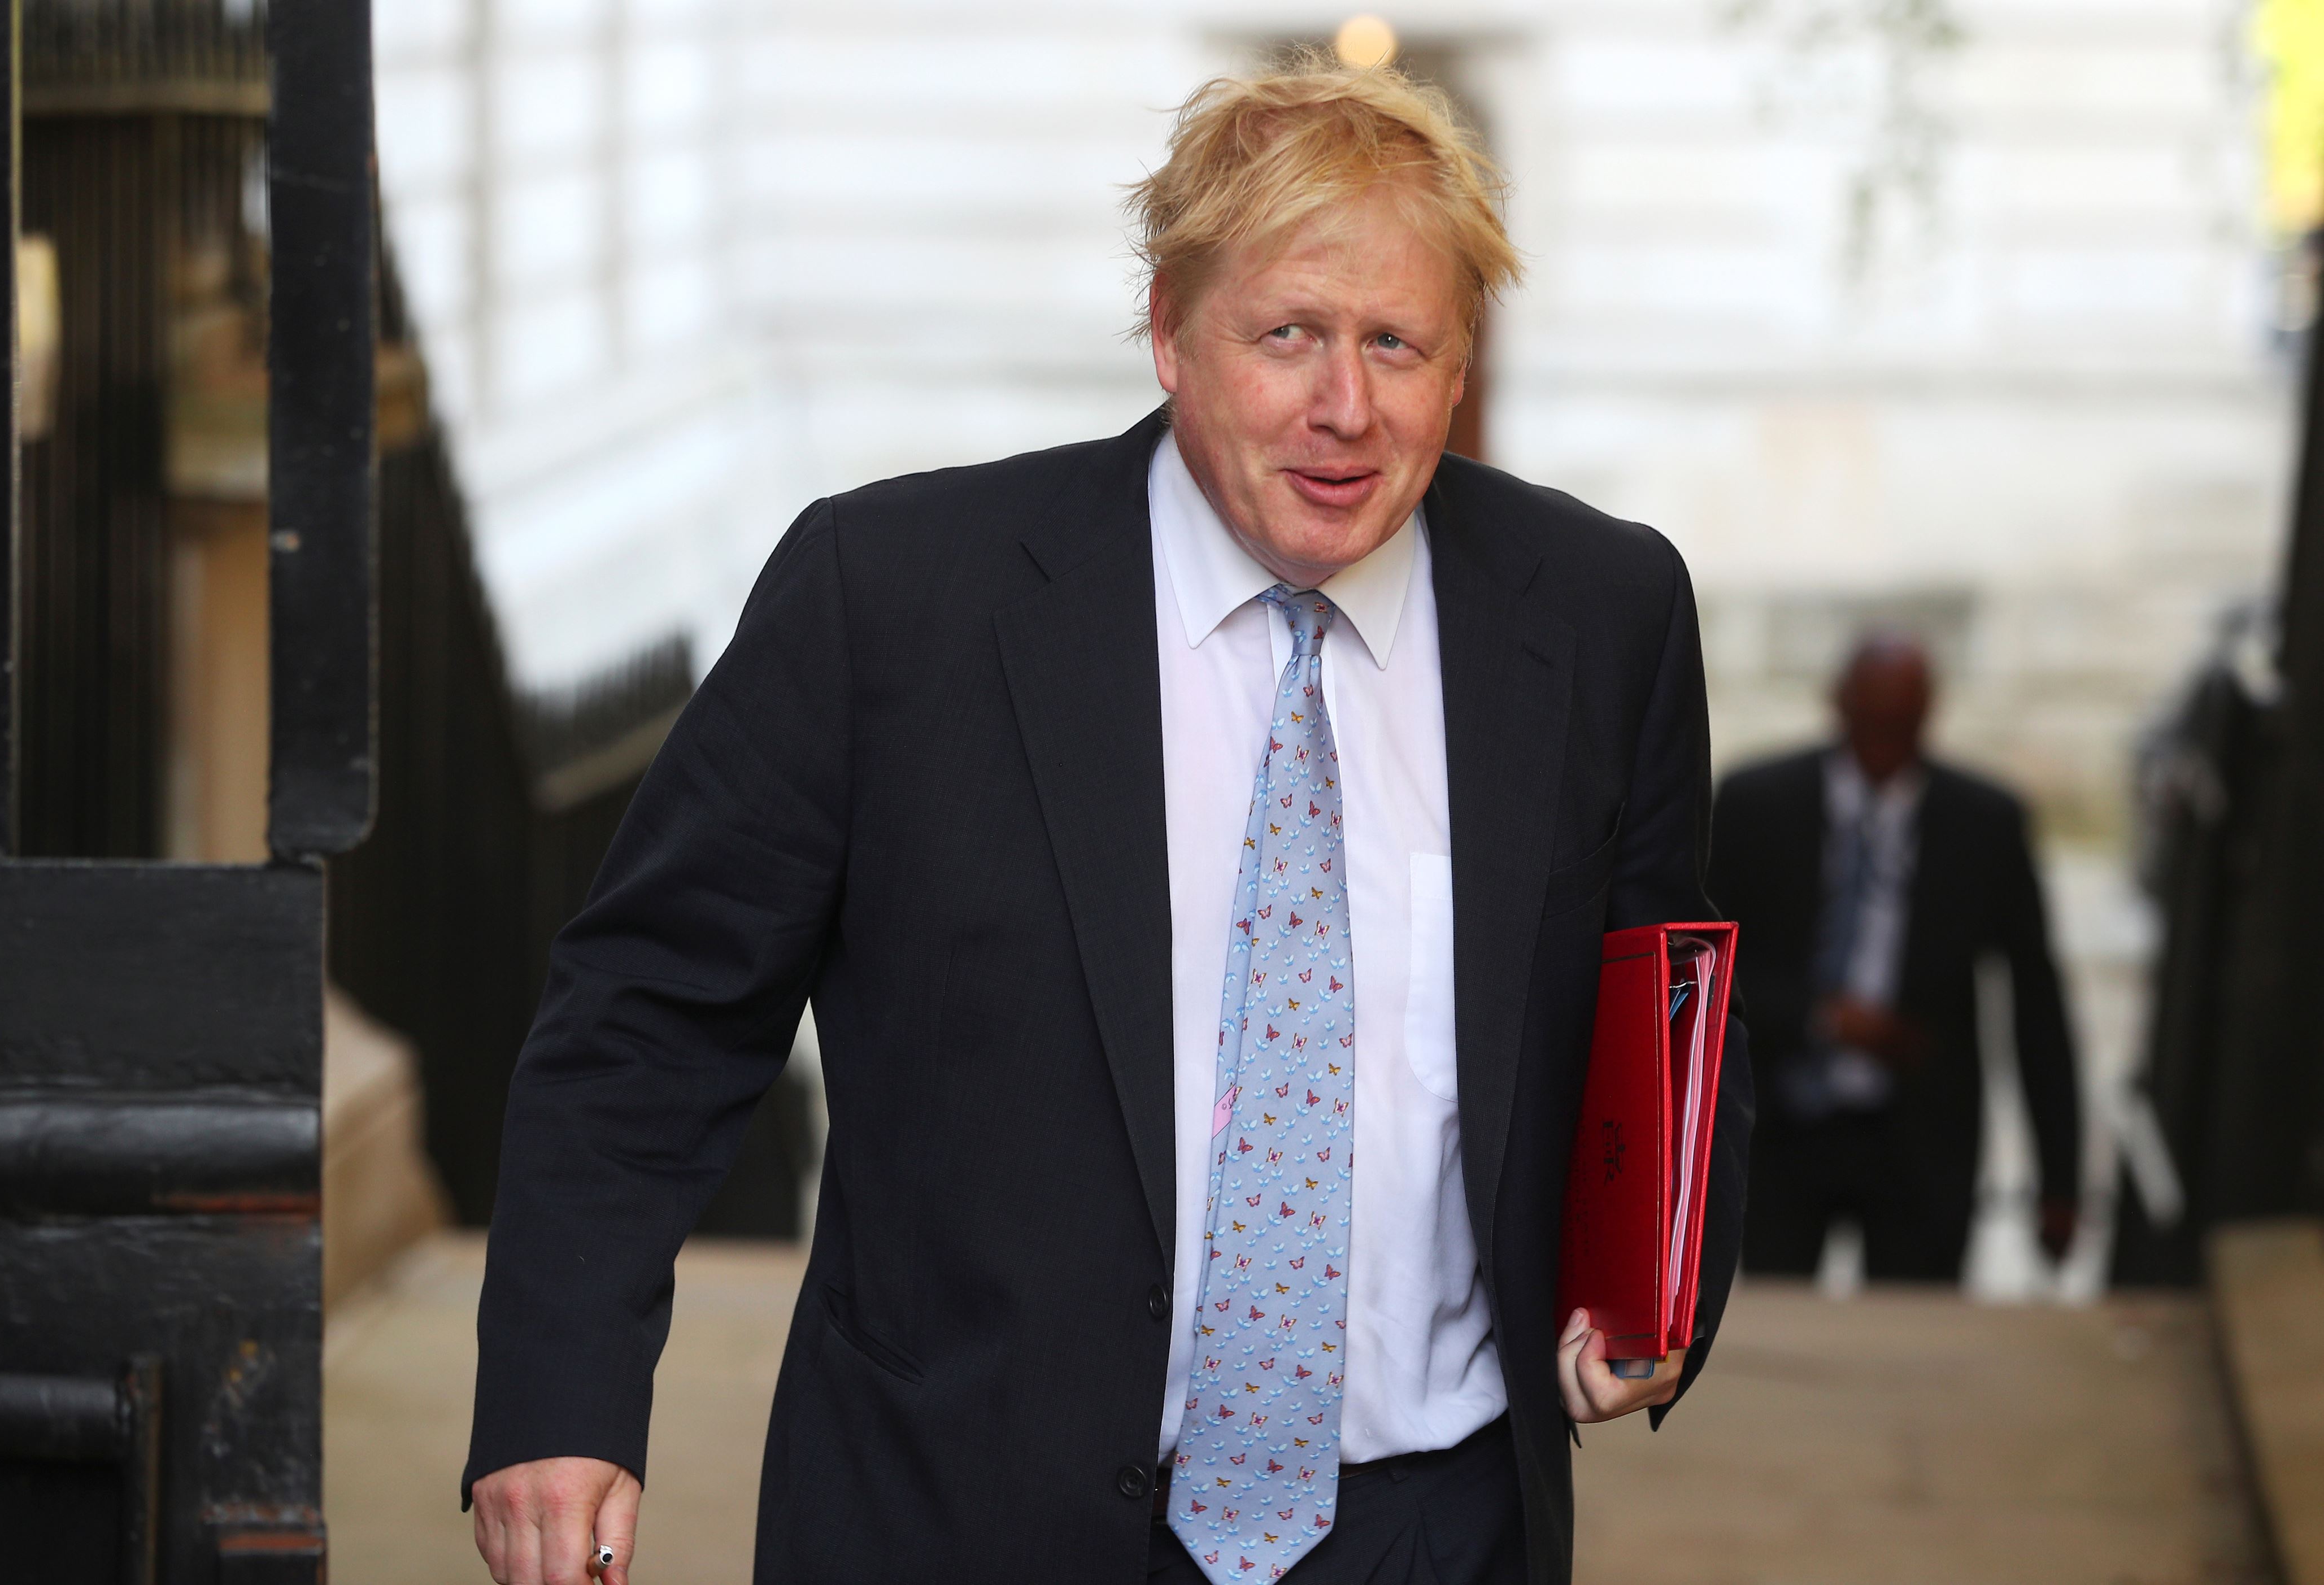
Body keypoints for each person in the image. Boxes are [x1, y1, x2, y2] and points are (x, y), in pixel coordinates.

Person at [465, 58, 1751, 1585]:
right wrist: (557, 1393)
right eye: (1286, 335)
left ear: (1459, 361)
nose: (1344, 406)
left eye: (1395, 342)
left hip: (1431, 1525)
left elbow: (1663, 1016)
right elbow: (649, 1014)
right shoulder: (891, 603)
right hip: (961, 1511)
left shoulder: (1599, 615)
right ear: (1167, 334)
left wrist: (1655, 1286)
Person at [1710, 634, 2079, 1285]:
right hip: (1782, 1130)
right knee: (1778, 1346)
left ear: (1929, 716)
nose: (1883, 744)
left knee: (1915, 1345)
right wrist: (1822, 1018)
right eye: (1871, 723)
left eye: (1901, 725)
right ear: (1839, 706)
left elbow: (2037, 1002)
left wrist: (2061, 1179)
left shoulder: (1985, 823)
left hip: (1922, 1136)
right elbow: (1703, 970)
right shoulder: (1753, 805)